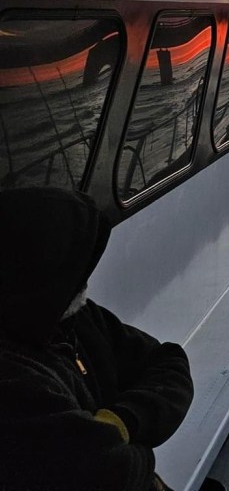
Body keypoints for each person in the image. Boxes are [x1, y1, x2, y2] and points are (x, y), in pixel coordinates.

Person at [0, 187, 194, 491]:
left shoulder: (75, 316)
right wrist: (137, 452)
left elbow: (168, 361)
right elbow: (107, 472)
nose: (85, 281)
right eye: (76, 264)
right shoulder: (13, 377)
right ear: (41, 268)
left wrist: (123, 420)